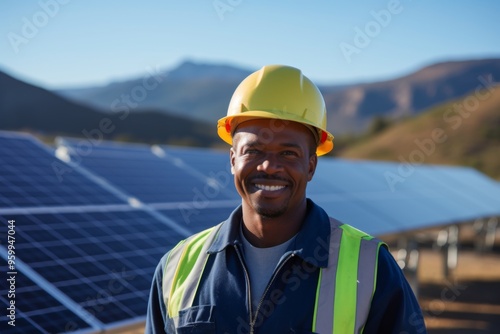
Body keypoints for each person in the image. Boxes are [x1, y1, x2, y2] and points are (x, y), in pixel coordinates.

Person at [146, 65, 427, 333]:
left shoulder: (372, 268)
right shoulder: (176, 267)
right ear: (233, 160)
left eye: (288, 153)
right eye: (253, 151)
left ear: (311, 166)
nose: (269, 166)